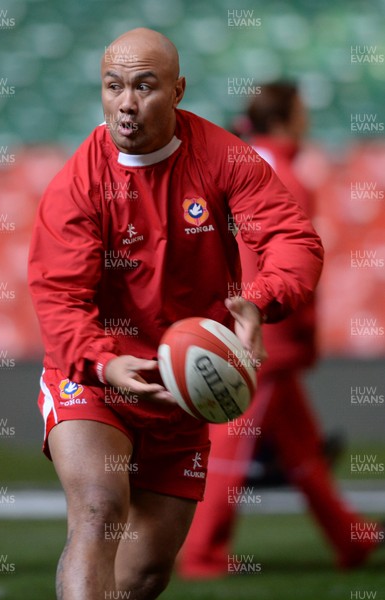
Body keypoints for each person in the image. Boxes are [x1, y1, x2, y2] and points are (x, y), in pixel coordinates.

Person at [28, 32, 323, 600]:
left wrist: (259, 300)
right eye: (114, 87)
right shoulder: (78, 183)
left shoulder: (223, 157)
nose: (127, 104)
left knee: (144, 573)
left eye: (144, 86)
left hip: (185, 386)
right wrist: (103, 363)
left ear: (178, 91)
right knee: (97, 508)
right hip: (95, 378)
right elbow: (60, 299)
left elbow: (293, 239)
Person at [177, 83, 383, 579]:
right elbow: (285, 256)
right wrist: (294, 327)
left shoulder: (241, 160)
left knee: (300, 447)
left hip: (253, 321)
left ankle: (348, 536)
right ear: (287, 116)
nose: (308, 119)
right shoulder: (284, 172)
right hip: (267, 330)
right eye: (303, 110)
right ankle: (202, 552)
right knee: (232, 443)